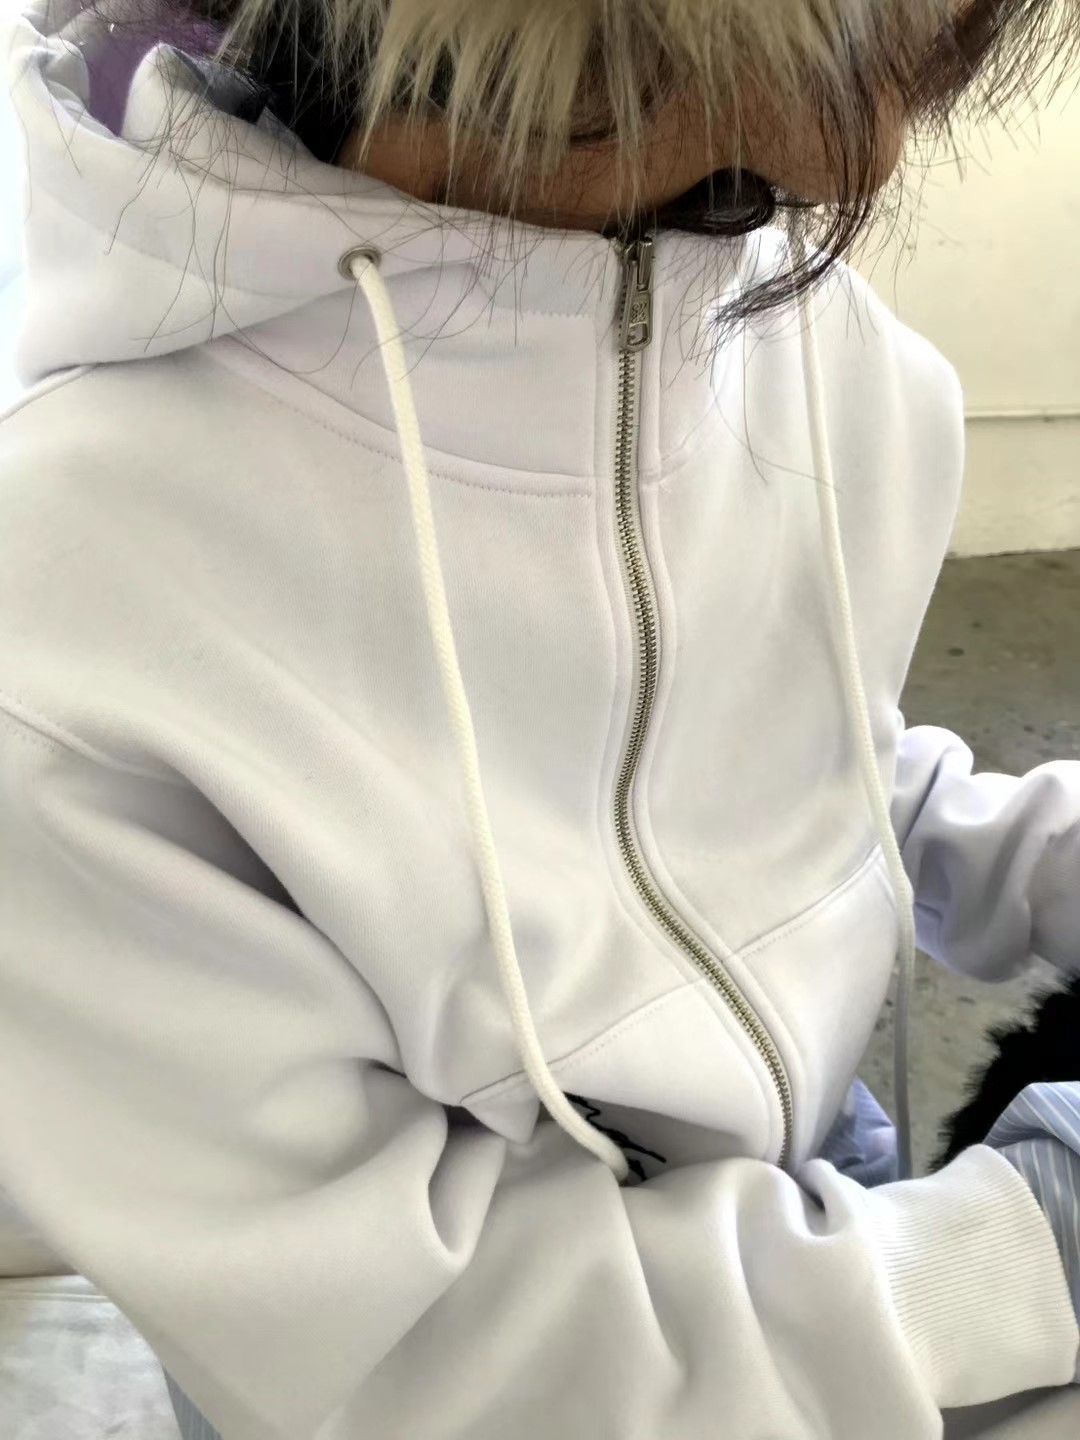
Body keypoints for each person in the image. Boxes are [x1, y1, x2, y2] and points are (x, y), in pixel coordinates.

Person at [0, 0, 1078, 1436]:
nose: (878, 149)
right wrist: (1024, 1247)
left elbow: (804, 753)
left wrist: (1033, 854)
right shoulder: (66, 626)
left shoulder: (810, 340)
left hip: (821, 1183)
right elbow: (418, 1356)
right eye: (856, 46)